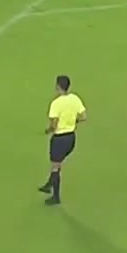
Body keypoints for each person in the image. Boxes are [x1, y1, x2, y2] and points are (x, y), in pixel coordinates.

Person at [39, 75, 86, 204]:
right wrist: (73, 121)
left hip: (59, 139)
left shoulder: (56, 103)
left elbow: (54, 124)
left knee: (55, 167)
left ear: (58, 86)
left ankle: (56, 197)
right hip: (71, 138)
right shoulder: (75, 99)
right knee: (57, 164)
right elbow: (83, 117)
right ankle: (49, 184)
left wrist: (49, 130)